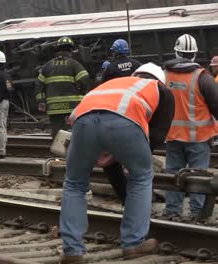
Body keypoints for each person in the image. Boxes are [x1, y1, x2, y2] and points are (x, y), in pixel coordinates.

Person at [59, 63, 175, 263]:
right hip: (125, 121)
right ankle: (134, 243)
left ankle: (72, 252)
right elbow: (156, 137)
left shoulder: (113, 83)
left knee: (74, 184)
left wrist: (111, 154)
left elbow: (82, 116)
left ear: (135, 74)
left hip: (82, 121)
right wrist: (127, 157)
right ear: (159, 80)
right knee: (141, 177)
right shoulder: (159, 89)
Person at [163, 34, 218, 219]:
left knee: (173, 174)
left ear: (176, 51)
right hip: (199, 138)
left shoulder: (164, 76)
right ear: (194, 54)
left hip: (172, 136)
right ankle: (197, 213)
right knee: (198, 176)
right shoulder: (203, 77)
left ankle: (172, 211)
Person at [35, 36, 90, 138]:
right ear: (70, 51)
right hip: (73, 104)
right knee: (77, 128)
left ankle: (59, 151)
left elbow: (39, 84)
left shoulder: (47, 66)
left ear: (57, 50)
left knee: (57, 131)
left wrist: (41, 101)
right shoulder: (74, 64)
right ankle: (75, 149)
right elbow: (84, 78)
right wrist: (80, 90)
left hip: (54, 106)